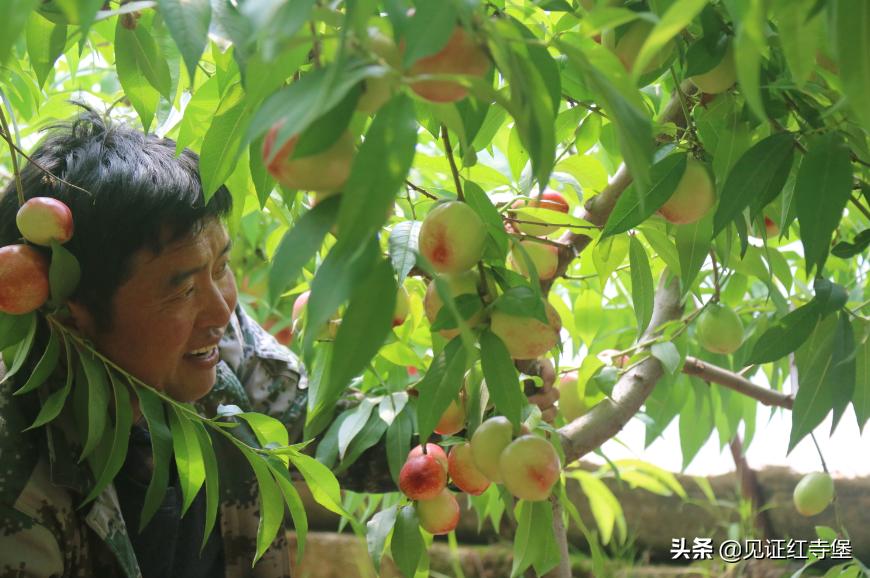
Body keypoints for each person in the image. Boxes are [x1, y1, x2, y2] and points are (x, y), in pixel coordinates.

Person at [0, 107, 558, 578]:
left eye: (221, 267)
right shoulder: (17, 465)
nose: (221, 309)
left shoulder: (220, 344)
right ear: (70, 314)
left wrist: (485, 409)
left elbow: (331, 430)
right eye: (182, 288)